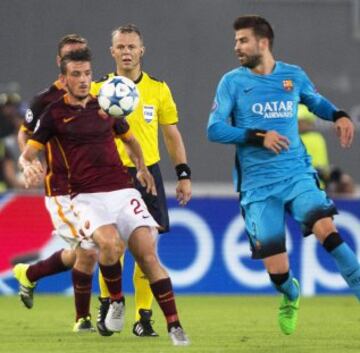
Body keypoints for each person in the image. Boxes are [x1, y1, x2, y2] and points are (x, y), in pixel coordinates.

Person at [19, 48, 190, 346]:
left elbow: (131, 140)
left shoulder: (106, 107)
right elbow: (29, 152)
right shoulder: (54, 114)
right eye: (76, 75)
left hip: (122, 191)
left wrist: (141, 169)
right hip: (84, 197)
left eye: (87, 73)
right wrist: (28, 166)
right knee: (106, 245)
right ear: (64, 78)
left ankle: (175, 327)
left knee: (148, 254)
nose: (84, 80)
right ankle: (115, 301)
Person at [207, 15, 360, 335]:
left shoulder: (292, 76)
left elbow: (315, 101)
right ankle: (290, 292)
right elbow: (215, 129)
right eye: (236, 41)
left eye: (243, 40)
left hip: (296, 175)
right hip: (258, 187)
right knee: (277, 271)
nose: (236, 46)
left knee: (327, 231)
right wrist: (257, 136)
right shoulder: (232, 82)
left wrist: (339, 115)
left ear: (263, 43)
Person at [90, 24, 192, 337]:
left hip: (147, 174)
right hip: (109, 174)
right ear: (112, 52)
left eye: (132, 46)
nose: (126, 52)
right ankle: (109, 303)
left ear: (142, 50)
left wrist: (183, 173)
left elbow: (171, 134)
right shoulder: (97, 91)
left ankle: (143, 317)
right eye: (120, 47)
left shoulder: (158, 90)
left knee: (148, 249)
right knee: (112, 247)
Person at [13, 34, 98, 332]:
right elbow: (26, 135)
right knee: (89, 249)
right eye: (71, 58)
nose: (79, 70)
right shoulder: (44, 100)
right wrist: (30, 162)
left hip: (96, 187)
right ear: (60, 64)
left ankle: (31, 273)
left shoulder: (96, 95)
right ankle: (83, 319)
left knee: (85, 249)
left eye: (82, 59)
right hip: (62, 188)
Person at [298, 104, 355, 195]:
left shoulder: (317, 138)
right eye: (298, 121)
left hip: (319, 183)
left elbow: (321, 165)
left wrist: (332, 175)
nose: (299, 124)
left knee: (346, 182)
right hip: (301, 183)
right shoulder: (292, 139)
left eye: (301, 121)